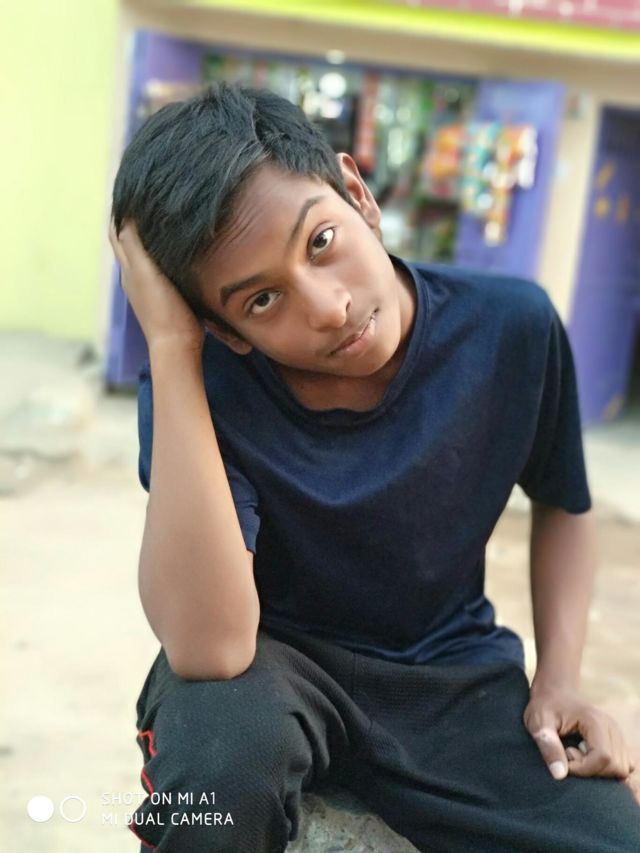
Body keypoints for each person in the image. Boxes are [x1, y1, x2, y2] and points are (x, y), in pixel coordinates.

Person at [109, 83, 640, 852]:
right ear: (224, 330)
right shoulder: (202, 385)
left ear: (357, 194)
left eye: (320, 240)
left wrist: (558, 678)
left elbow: (564, 500)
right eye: (261, 301)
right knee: (219, 768)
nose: (326, 307)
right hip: (273, 667)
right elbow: (211, 648)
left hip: (451, 677)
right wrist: (170, 346)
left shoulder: (509, 326)